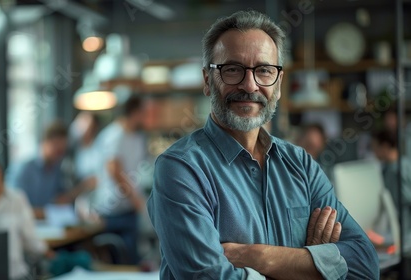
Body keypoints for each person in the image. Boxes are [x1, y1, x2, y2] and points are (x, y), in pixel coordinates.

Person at [147, 10, 378, 280]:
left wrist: (257, 256)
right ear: (208, 81)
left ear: (278, 84)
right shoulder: (180, 169)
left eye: (264, 70)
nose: (249, 85)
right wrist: (312, 266)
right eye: (232, 69)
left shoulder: (300, 164)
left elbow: (365, 266)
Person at [90, 95, 148, 264]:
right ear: (135, 112)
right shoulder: (114, 135)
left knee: (132, 258)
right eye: (144, 112)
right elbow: (114, 170)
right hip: (112, 209)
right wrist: (134, 198)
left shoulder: (137, 138)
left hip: (129, 208)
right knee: (118, 260)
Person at [5, 120, 93, 219]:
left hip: (50, 228)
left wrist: (80, 189)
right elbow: (14, 208)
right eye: (57, 150)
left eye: (62, 152)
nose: (60, 156)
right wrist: (50, 213)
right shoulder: (23, 169)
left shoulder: (57, 170)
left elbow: (61, 201)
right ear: (44, 142)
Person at [371, 128, 411, 231]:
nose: (373, 151)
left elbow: (405, 203)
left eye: (375, 147)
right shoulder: (393, 167)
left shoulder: (398, 170)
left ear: (385, 146)